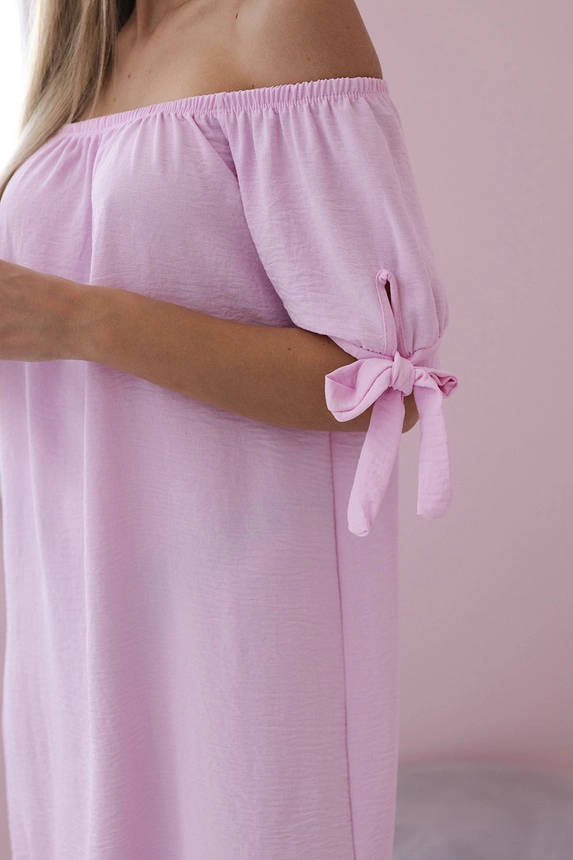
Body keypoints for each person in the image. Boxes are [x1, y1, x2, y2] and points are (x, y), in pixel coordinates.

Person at [0, 0, 459, 857]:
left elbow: (378, 381)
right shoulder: (80, 49)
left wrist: (78, 320)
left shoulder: (284, 17)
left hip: (237, 623)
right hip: (69, 611)